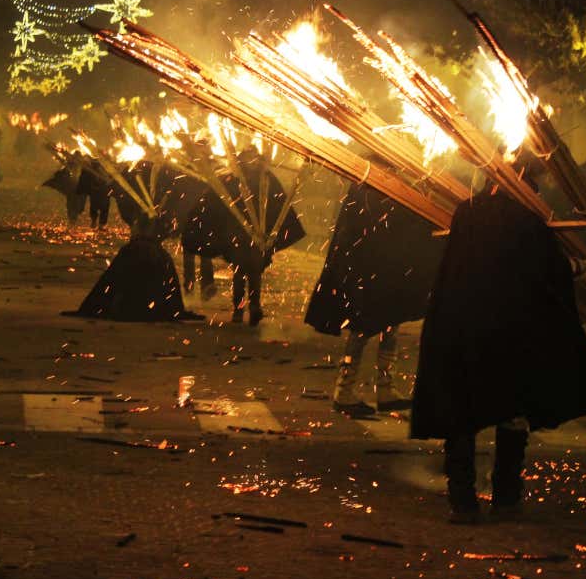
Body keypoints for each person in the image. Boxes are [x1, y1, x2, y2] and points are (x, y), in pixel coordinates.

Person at [411, 159, 586, 523]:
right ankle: (505, 496)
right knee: (513, 412)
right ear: (524, 185)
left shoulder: (467, 211)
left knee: (462, 414)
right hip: (511, 329)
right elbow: (549, 270)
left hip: (461, 323)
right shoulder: (527, 220)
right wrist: (585, 268)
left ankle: (462, 501)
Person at [304, 182, 445, 416]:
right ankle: (344, 391)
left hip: (387, 268)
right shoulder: (370, 184)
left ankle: (386, 388)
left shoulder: (384, 182)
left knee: (390, 325)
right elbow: (383, 224)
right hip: (368, 269)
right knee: (362, 328)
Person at [183, 147, 305, 325]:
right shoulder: (232, 179)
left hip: (259, 235)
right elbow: (216, 201)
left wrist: (272, 233)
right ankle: (239, 309)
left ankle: (254, 307)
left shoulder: (266, 178)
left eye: (254, 157)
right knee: (240, 272)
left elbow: (277, 202)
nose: (252, 161)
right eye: (248, 157)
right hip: (236, 234)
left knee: (255, 272)